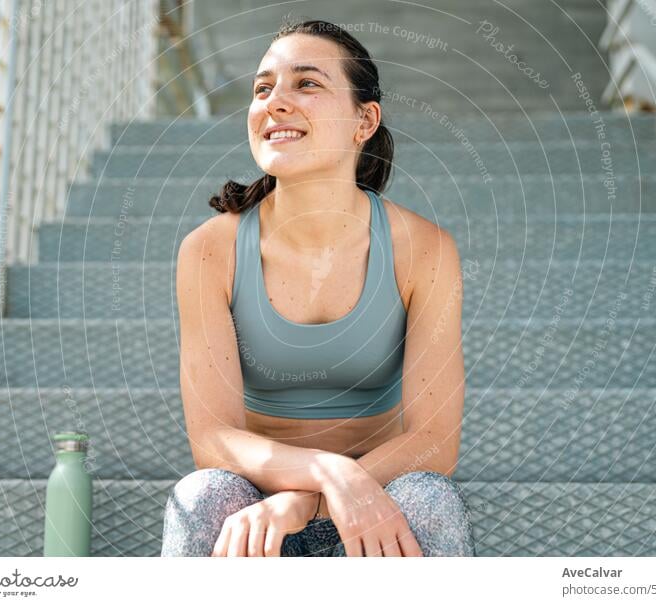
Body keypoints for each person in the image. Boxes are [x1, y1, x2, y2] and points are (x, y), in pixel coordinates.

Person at [161, 18, 475, 557]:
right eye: (263, 88)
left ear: (364, 120)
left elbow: (435, 442)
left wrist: (310, 498)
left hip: (374, 501)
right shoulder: (209, 251)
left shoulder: (425, 250)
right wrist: (325, 473)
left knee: (430, 498)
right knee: (204, 494)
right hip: (255, 509)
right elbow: (212, 439)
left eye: (306, 83)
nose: (274, 102)